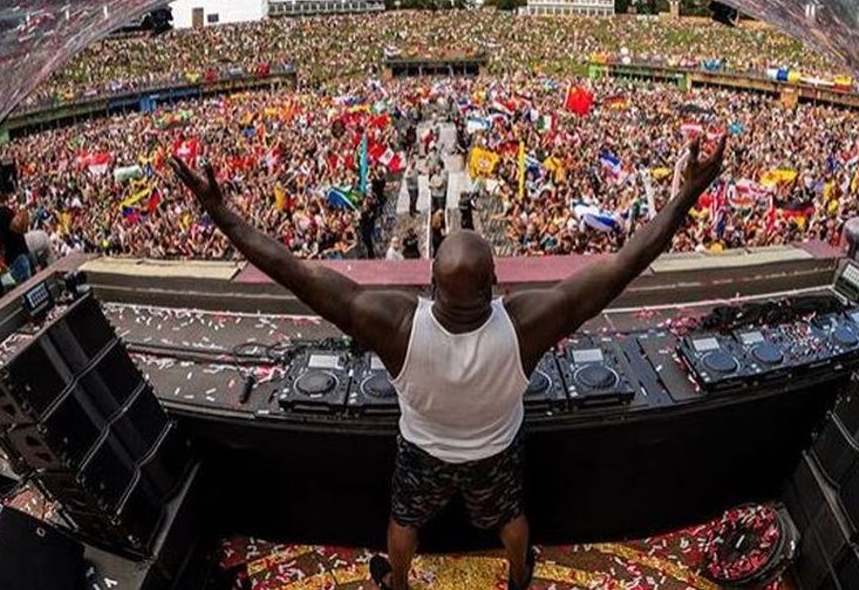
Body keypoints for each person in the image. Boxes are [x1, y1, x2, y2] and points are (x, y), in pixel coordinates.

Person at [169, 134, 724, 590]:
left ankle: (400, 583)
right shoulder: (528, 325)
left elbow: (293, 271)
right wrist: (685, 195)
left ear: (430, 283)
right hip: (495, 451)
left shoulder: (396, 325)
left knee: (404, 520)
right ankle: (517, 575)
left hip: (423, 450)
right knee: (510, 516)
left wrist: (219, 211)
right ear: (497, 284)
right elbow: (626, 263)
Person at [0, 185, 33, 283]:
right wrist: (23, 206)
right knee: (29, 286)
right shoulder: (3, 212)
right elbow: (22, 228)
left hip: (12, 256)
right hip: (17, 256)